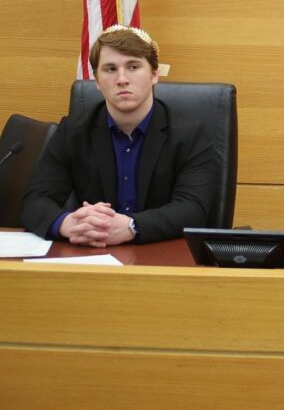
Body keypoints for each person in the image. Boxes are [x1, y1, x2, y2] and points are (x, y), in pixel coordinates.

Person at [22, 25, 215, 246]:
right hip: (92, 255)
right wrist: (68, 224)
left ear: (154, 74)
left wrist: (132, 227)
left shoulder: (190, 133)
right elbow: (36, 201)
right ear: (96, 80)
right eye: (110, 69)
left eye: (133, 67)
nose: (122, 79)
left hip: (162, 256)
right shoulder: (74, 131)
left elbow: (193, 209)